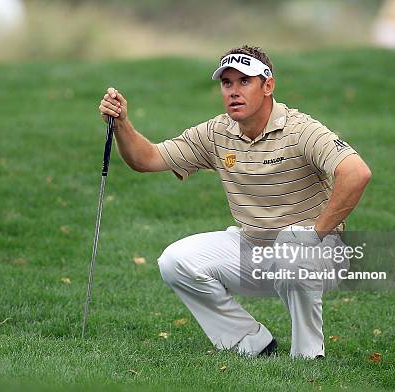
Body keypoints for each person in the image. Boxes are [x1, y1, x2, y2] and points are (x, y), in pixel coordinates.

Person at [98, 45, 371, 359]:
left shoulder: (300, 130)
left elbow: (356, 172)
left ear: (267, 86)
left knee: (292, 248)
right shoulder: (217, 133)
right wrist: (121, 124)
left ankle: (308, 356)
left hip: (318, 255)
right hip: (253, 248)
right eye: (227, 83)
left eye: (244, 81)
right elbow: (147, 159)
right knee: (175, 261)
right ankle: (250, 343)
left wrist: (315, 233)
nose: (233, 91)